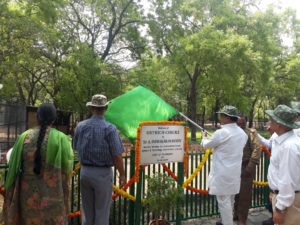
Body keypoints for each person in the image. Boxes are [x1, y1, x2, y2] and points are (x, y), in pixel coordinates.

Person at [3, 103, 74, 225]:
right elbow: (67, 169)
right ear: (54, 118)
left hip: (28, 197)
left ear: (37, 117)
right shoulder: (61, 139)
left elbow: (13, 167)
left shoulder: (24, 137)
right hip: (53, 198)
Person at [73, 94, 126, 225]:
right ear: (106, 108)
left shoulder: (80, 126)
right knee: (102, 213)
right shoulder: (110, 128)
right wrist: (122, 174)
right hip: (102, 174)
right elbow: (117, 155)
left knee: (87, 211)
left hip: (85, 173)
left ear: (91, 108)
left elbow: (75, 147)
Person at [201, 105, 248, 225]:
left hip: (222, 174)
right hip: (234, 173)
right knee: (230, 201)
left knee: (223, 202)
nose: (220, 117)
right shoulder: (243, 134)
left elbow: (206, 145)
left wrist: (203, 137)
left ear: (227, 117)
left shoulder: (221, 133)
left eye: (221, 115)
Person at [265, 104, 300, 225]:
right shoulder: (283, 142)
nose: (269, 122)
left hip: (288, 202)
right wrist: (274, 191)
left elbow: (288, 179)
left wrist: (280, 208)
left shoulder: (289, 147)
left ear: (279, 124)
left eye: (272, 120)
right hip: (284, 197)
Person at [233, 116, 261, 225]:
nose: (240, 125)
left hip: (245, 166)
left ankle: (242, 219)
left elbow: (257, 148)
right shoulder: (231, 132)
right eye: (238, 123)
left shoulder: (251, 133)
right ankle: (235, 214)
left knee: (244, 195)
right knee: (234, 192)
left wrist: (251, 164)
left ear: (245, 123)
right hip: (232, 167)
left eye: (242, 123)